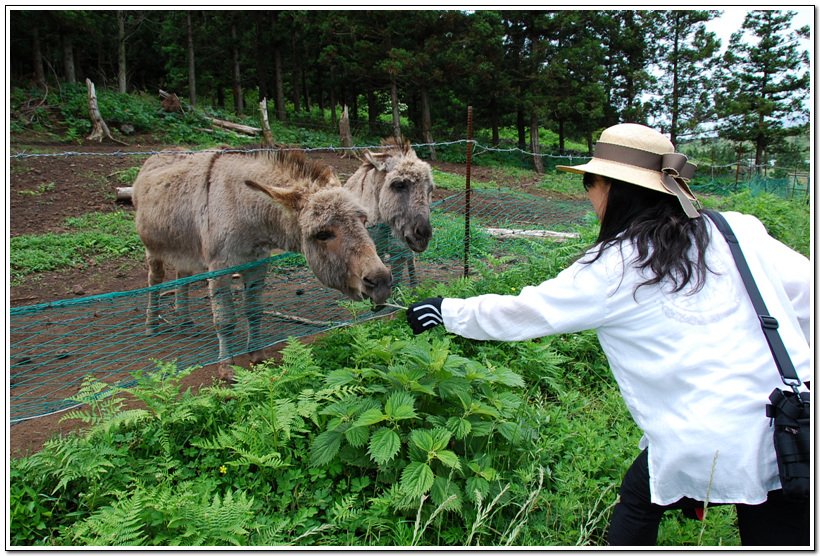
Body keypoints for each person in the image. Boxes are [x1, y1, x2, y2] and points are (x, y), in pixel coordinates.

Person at [405, 123, 811, 546]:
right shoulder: (734, 229)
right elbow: (806, 293)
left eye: (589, 182)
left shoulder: (619, 265)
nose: (588, 196)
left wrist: (445, 311)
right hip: (795, 424)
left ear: (613, 188)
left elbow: (530, 311)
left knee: (638, 499)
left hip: (708, 434)